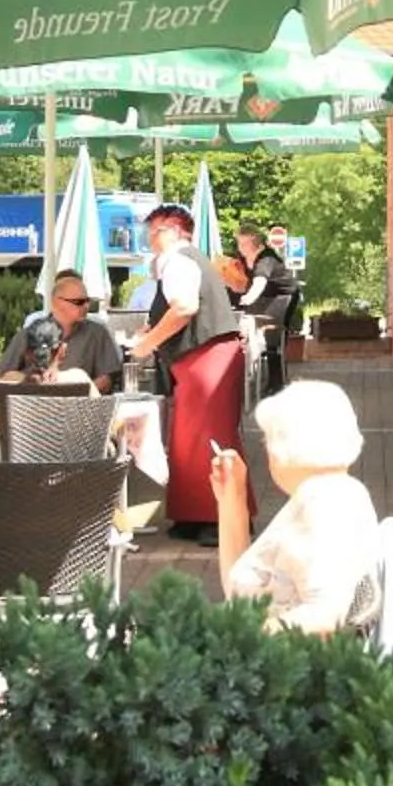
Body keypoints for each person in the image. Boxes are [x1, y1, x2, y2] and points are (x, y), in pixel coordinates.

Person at [207, 379, 381, 634]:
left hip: (273, 666)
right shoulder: (342, 491)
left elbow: (324, 616)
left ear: (280, 450)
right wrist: (232, 501)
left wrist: (242, 638)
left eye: (268, 440)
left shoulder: (324, 505)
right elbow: (240, 592)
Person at [126, 201, 248, 545]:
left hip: (208, 357)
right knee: (187, 442)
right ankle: (193, 515)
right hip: (200, 357)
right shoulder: (183, 261)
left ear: (176, 231)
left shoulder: (179, 259)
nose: (150, 237)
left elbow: (184, 308)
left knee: (213, 439)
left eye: (156, 230)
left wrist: (147, 343)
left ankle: (221, 519)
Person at [0, 270, 120, 391]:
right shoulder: (30, 333)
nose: (86, 306)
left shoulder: (97, 333)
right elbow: (3, 376)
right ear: (56, 302)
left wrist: (74, 394)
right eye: (79, 302)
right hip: (33, 405)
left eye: (87, 301)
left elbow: (106, 381)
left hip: (80, 406)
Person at [233, 223, 300, 393]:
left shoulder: (266, 258)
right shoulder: (243, 258)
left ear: (254, 241)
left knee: (273, 336)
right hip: (265, 296)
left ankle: (276, 383)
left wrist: (248, 298)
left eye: (243, 243)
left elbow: (260, 282)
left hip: (283, 295)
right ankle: (253, 375)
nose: (240, 247)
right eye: (238, 243)